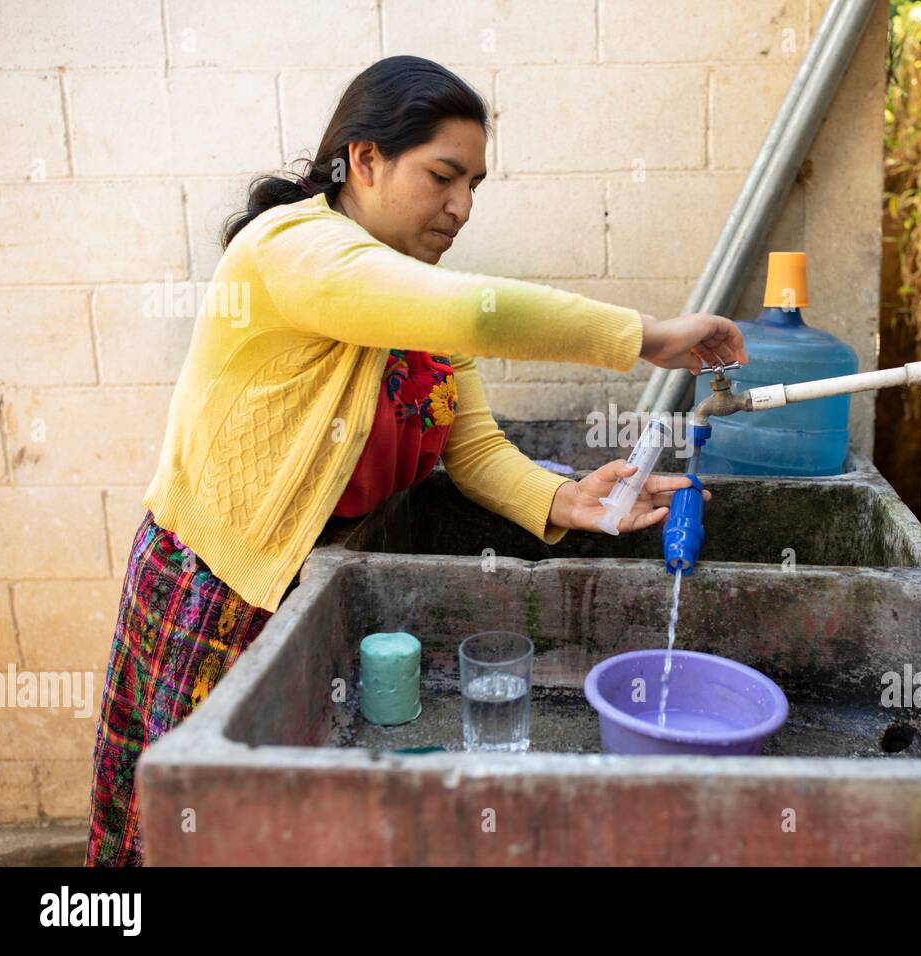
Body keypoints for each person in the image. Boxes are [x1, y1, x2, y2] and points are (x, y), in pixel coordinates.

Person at [84, 55, 748, 866]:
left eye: (474, 184)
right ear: (364, 160)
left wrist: (569, 499)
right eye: (443, 176)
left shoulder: (415, 297)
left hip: (322, 589)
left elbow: (477, 451)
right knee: (183, 836)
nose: (462, 206)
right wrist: (647, 335)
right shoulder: (290, 249)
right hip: (220, 593)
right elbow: (479, 313)